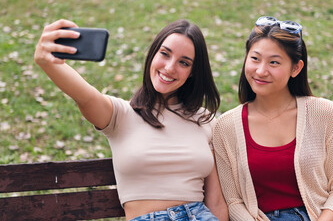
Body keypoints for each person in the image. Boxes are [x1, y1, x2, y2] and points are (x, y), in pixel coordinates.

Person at [34, 19, 229, 221]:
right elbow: (84, 96)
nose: (170, 68)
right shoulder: (120, 114)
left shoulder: (205, 120)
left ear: (192, 73)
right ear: (152, 54)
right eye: (165, 54)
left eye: (184, 62)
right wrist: (46, 61)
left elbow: (216, 202)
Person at [213, 16, 333, 221]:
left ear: (296, 68)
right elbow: (233, 201)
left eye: (274, 62)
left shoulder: (324, 113)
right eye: (255, 59)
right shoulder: (225, 127)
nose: (261, 71)